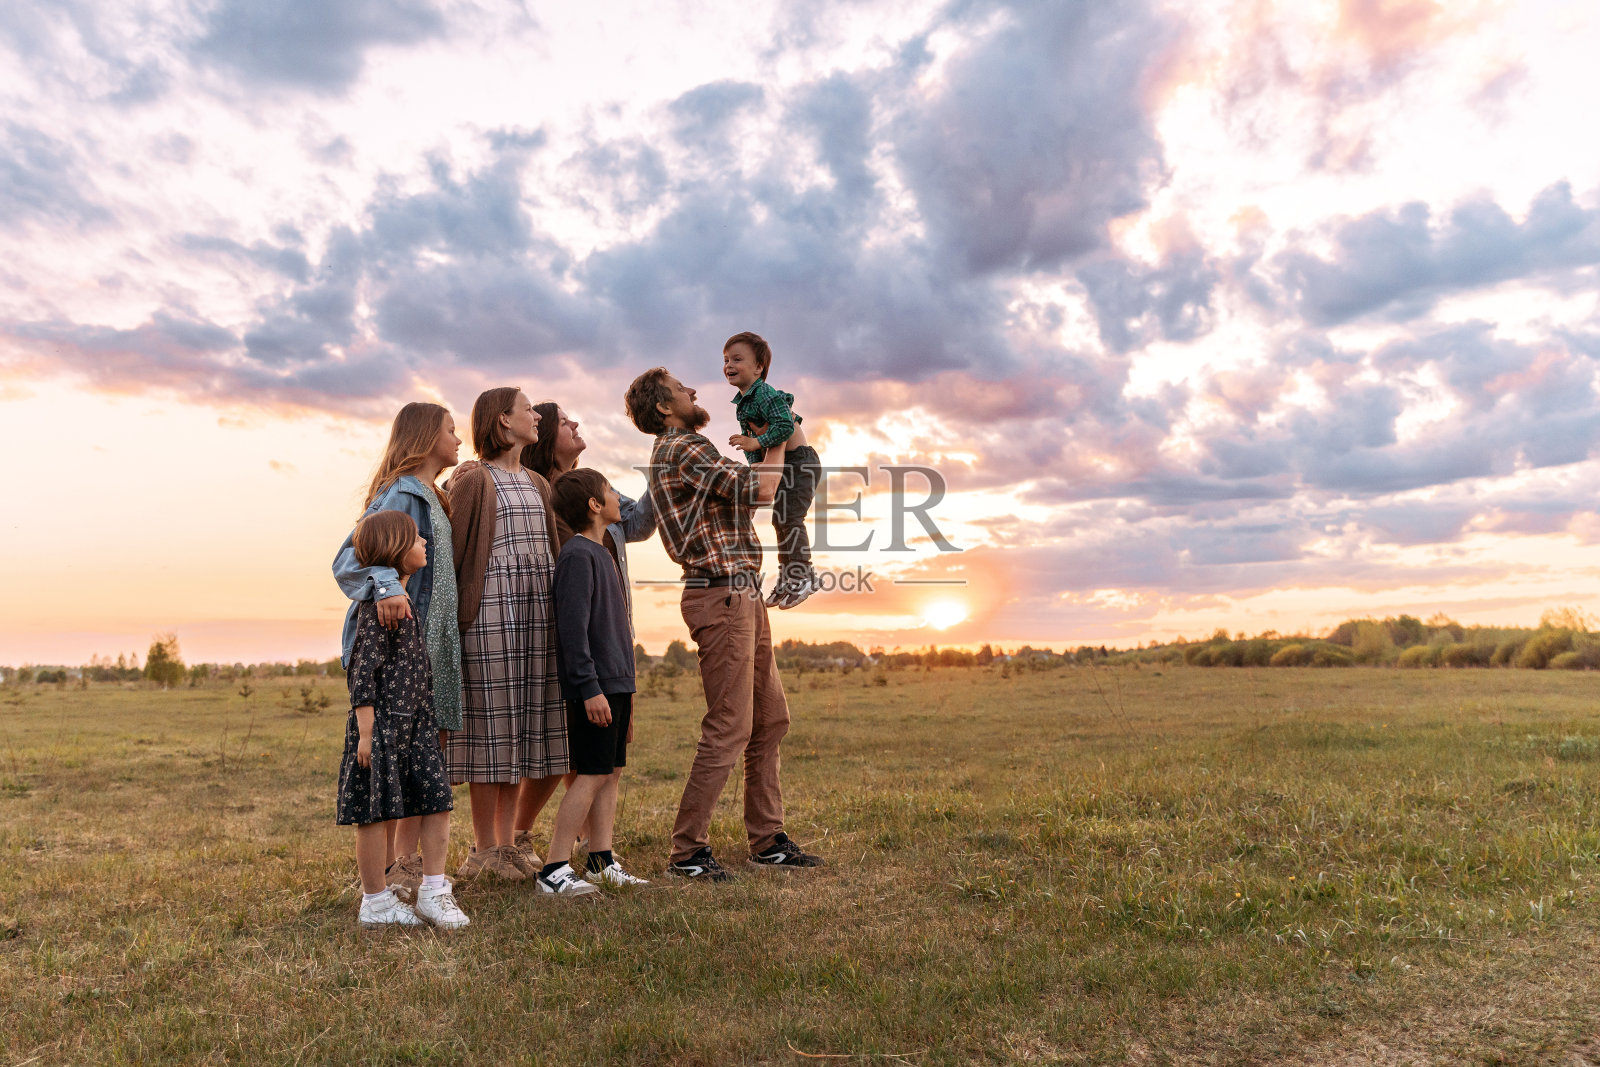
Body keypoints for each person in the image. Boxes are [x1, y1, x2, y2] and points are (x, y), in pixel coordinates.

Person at [624, 367, 824, 881]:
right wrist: (775, 435)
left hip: (742, 593)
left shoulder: (690, 450)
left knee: (770, 720)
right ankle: (687, 851)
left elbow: (743, 499)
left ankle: (768, 840)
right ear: (664, 407)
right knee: (730, 724)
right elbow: (762, 489)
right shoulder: (682, 448)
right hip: (721, 595)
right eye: (680, 388)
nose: (692, 390)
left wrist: (769, 439)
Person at [332, 402, 464, 900]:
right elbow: (350, 559)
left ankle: (406, 864)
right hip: (404, 644)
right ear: (426, 437)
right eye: (451, 430)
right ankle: (389, 871)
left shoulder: (432, 494)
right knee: (394, 756)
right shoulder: (401, 493)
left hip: (430, 644)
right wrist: (387, 585)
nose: (459, 439)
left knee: (420, 756)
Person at [447, 387, 569, 883]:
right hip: (491, 613)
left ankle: (507, 845)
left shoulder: (538, 482)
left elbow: (553, 551)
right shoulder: (472, 478)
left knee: (520, 728)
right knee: (490, 730)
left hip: (537, 615)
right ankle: (483, 850)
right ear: (502, 420)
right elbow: (452, 555)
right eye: (527, 409)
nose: (536, 416)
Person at [336, 510, 469, 929]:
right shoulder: (378, 609)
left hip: (417, 726)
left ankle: (433, 892)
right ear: (395, 549)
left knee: (437, 802)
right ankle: (375, 902)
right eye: (415, 538)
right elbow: (363, 672)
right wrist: (366, 733)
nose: (424, 543)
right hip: (382, 729)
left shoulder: (406, 603)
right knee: (375, 814)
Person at [537, 468, 650, 895]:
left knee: (610, 772)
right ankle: (553, 869)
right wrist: (589, 689)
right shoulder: (577, 556)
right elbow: (573, 630)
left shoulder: (602, 552)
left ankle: (601, 860)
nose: (619, 498)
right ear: (594, 505)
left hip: (617, 682)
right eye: (611, 491)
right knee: (590, 774)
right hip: (597, 687)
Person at [723, 331, 821, 609]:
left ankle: (803, 576)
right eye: (726, 360)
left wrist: (757, 442)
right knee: (780, 520)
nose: (729, 365)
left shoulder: (765, 394)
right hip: (785, 464)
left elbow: (785, 426)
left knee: (790, 518)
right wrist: (756, 474)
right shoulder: (743, 404)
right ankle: (790, 577)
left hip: (800, 463)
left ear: (758, 367)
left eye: (737, 359)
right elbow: (753, 448)